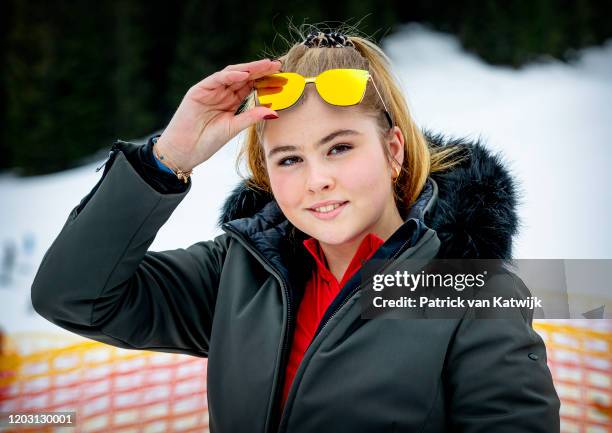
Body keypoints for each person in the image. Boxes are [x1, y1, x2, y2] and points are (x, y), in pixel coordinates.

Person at [31, 27, 560, 433]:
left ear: (392, 151)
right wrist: (166, 159)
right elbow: (74, 298)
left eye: (339, 147)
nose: (317, 181)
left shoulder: (472, 293)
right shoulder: (239, 276)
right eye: (288, 159)